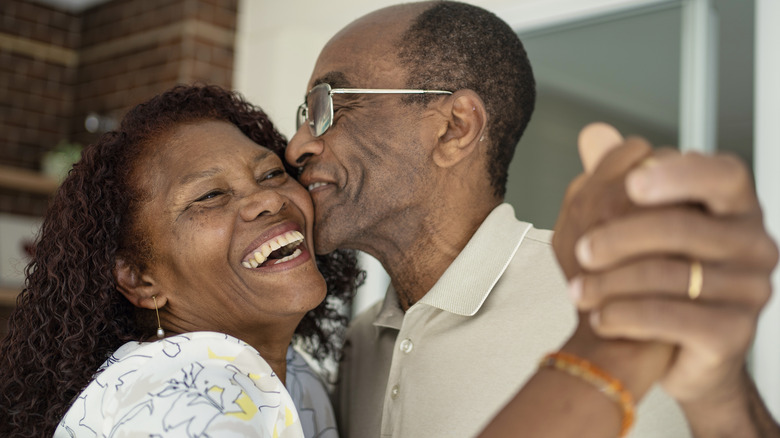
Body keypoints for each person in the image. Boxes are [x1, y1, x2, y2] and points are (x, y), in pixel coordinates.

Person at [285, 2, 779, 437]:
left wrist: (721, 393)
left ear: (455, 128)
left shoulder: (603, 300)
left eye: (328, 104)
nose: (297, 145)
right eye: (303, 113)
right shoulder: (362, 343)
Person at [0, 85, 363, 438]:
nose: (267, 200)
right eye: (210, 195)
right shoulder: (183, 402)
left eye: (271, 174)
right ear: (140, 280)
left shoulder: (295, 378)